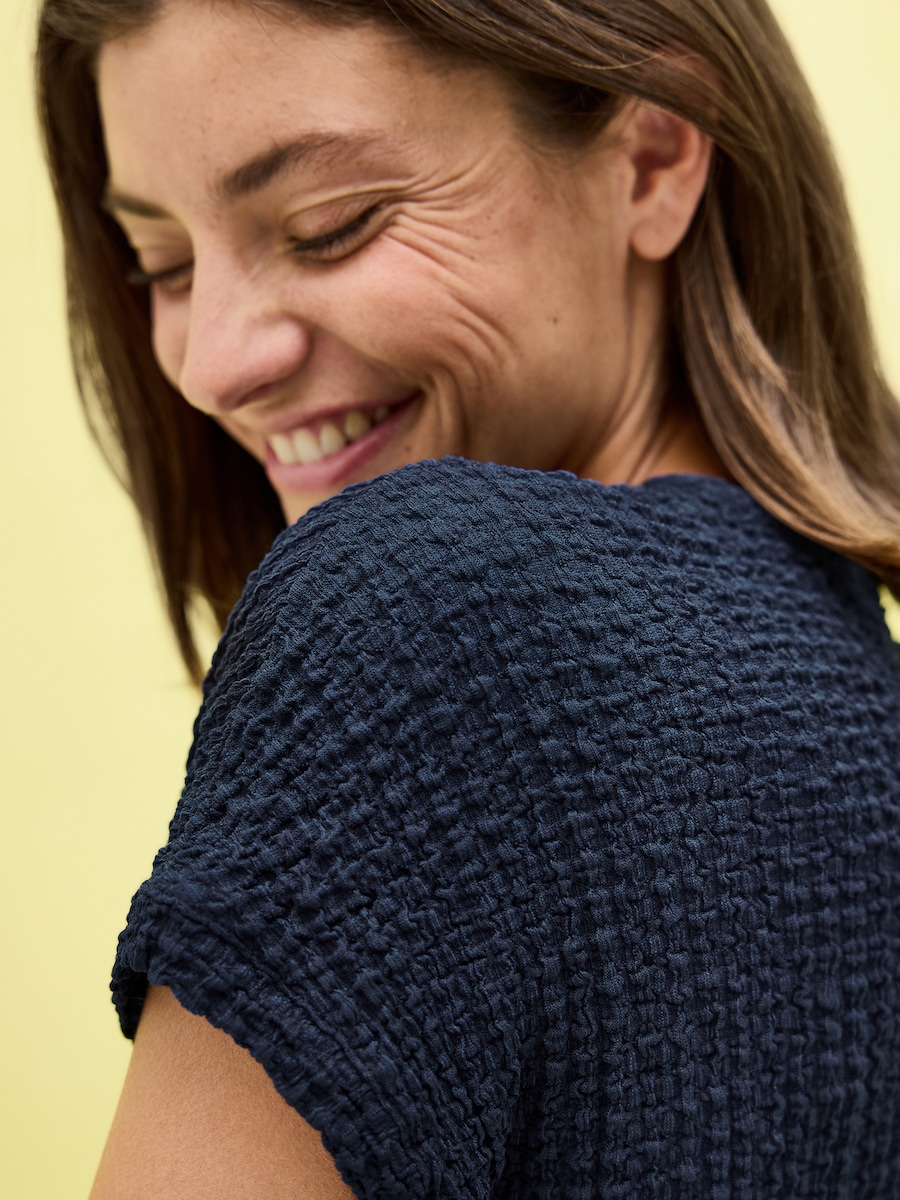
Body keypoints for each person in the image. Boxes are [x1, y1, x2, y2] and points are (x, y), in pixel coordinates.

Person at [37, 0, 900, 1196]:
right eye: (163, 265)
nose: (212, 365)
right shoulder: (861, 694)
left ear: (654, 155)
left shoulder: (416, 613)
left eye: (331, 225)